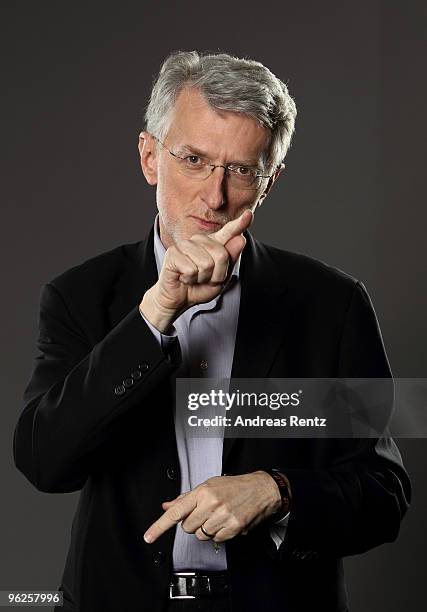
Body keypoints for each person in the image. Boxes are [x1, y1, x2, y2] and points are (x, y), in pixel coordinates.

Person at [14, 50, 411, 612]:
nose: (215, 196)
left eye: (242, 170)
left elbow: (384, 491)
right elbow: (44, 461)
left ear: (269, 183)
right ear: (150, 157)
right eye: (194, 160)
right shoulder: (80, 296)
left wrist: (277, 491)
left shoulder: (332, 304)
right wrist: (153, 316)